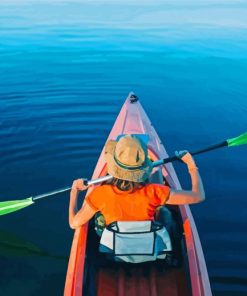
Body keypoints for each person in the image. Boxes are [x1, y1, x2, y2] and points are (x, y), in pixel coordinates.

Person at [69, 134, 205, 231]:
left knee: (98, 218)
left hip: (114, 252)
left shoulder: (100, 194)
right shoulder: (156, 191)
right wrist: (191, 164)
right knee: (164, 212)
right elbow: (198, 196)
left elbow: (74, 224)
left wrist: (74, 191)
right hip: (149, 249)